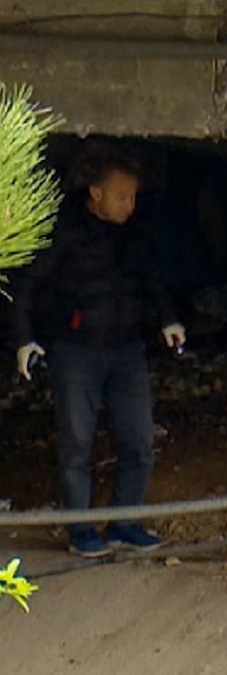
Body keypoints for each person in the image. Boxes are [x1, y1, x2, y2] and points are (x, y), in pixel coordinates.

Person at [9, 142, 185, 557]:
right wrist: (22, 339)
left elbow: (152, 278)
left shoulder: (135, 234)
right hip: (77, 352)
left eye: (134, 196)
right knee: (76, 444)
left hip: (126, 349)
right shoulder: (64, 232)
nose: (130, 205)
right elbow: (26, 287)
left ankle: (124, 523)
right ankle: (80, 531)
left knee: (139, 440)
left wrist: (168, 319)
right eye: (123, 197)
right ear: (96, 194)